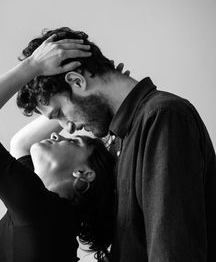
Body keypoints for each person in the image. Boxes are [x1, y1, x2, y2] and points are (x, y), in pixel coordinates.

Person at [16, 27, 216, 261]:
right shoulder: (119, 139)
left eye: (60, 113)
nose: (67, 128)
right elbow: (20, 145)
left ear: (77, 81)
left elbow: (172, 250)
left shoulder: (162, 117)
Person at [0, 36, 116, 261]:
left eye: (72, 141)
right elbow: (21, 144)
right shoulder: (58, 222)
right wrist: (85, 103)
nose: (60, 133)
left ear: (84, 174)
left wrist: (34, 64)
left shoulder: (40, 212)